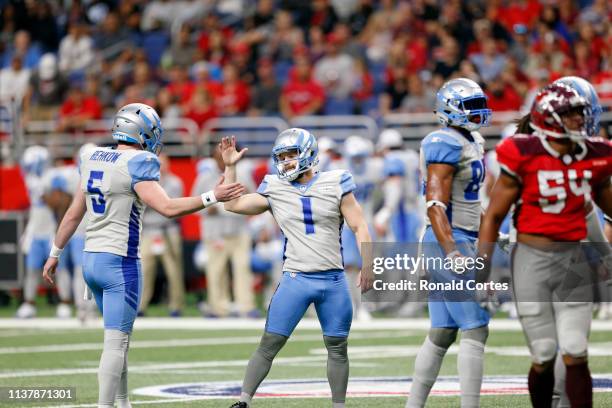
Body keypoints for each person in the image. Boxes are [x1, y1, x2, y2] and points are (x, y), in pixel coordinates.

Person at [42, 103, 245, 408]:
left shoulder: (91, 156)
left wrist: (55, 252)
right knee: (117, 342)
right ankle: (106, 406)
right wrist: (211, 196)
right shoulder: (139, 161)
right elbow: (168, 207)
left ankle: (123, 402)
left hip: (91, 259)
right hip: (119, 262)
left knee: (117, 341)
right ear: (141, 132)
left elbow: (73, 214)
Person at [479, 83, 612, 408]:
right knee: (543, 353)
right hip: (531, 261)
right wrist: (480, 272)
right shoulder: (522, 153)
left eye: (581, 112)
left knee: (576, 349)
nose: (581, 119)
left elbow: (606, 206)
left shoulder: (595, 154)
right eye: (571, 113)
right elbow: (494, 216)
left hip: (573, 259)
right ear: (550, 118)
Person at [220, 129, 373, 408]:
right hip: (295, 279)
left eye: (291, 155)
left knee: (338, 348)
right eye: (282, 157)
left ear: (309, 154)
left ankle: (339, 405)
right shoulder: (274, 187)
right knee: (269, 343)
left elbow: (359, 224)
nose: (286, 162)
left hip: (334, 280)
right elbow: (232, 204)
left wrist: (369, 262)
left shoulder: (336, 181)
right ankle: (243, 401)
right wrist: (230, 167)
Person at [407, 78, 492, 408]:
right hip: (447, 239)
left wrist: (490, 233)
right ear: (450, 110)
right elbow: (435, 205)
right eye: (471, 106)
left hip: (461, 235)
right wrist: (451, 249)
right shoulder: (444, 142)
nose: (478, 112)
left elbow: (470, 202)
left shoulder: (471, 140)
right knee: (476, 326)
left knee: (443, 331)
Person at [139, 153, 186, 317]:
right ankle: (140, 305)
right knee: (144, 270)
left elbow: (173, 206)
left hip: (168, 229)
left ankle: (176, 305)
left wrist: (156, 200)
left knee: (173, 270)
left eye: (162, 163)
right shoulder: (144, 182)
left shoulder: (174, 182)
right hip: (149, 229)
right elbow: (144, 205)